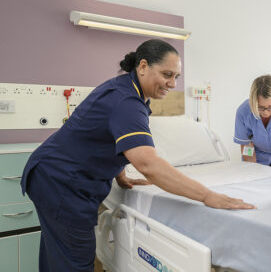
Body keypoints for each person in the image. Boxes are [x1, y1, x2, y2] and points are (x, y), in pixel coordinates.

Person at [21, 39, 255, 272]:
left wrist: (120, 175)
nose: (172, 83)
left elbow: (111, 139)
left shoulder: (130, 93)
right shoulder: (126, 101)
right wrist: (206, 196)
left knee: (57, 257)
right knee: (74, 262)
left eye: (177, 77)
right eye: (167, 74)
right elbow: (148, 164)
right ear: (143, 66)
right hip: (60, 182)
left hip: (53, 175)